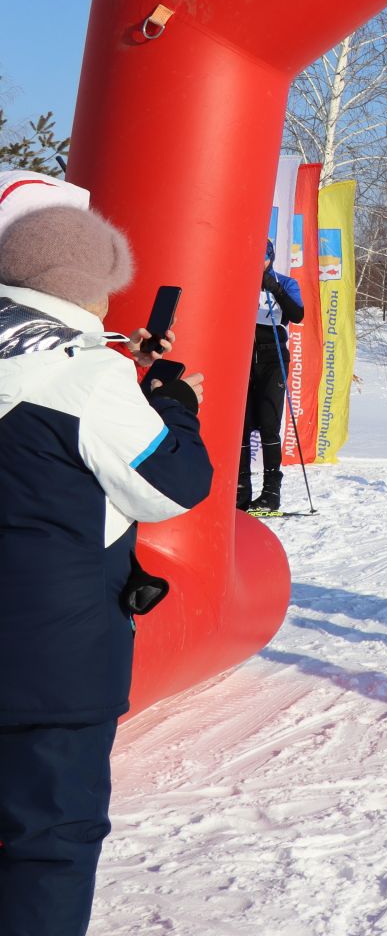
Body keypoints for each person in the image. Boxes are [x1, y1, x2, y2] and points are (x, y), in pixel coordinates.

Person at [0, 204, 213, 936]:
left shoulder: (81, 365)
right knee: (49, 846)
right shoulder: (89, 377)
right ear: (82, 286)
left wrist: (127, 373)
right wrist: (174, 403)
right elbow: (171, 484)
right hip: (50, 664)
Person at [240, 239, 304, 514]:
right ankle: (241, 493)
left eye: (263, 258)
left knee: (268, 423)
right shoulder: (241, 281)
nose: (258, 264)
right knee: (241, 426)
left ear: (270, 258)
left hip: (272, 358)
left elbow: (298, 315)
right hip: (243, 359)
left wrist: (274, 288)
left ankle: (271, 493)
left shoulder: (285, 283)